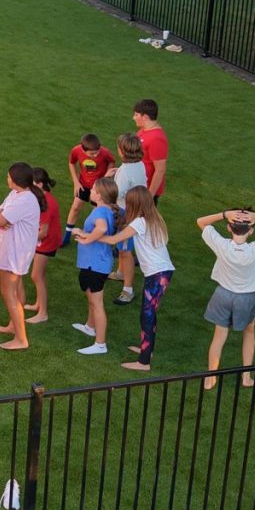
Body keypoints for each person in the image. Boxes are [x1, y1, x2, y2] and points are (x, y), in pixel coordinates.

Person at [80, 186, 175, 371]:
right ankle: (148, 349)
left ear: (135, 203)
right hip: (162, 272)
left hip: (157, 275)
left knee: (147, 315)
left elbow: (113, 240)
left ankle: (144, 362)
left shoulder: (140, 222)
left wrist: (87, 236)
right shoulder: (155, 219)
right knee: (149, 314)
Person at [196, 208, 255, 389]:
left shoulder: (221, 244)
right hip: (246, 298)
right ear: (251, 230)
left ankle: (211, 378)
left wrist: (224, 214)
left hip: (222, 295)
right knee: (249, 333)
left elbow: (201, 221)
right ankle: (246, 378)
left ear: (229, 228)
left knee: (218, 337)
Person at [0, 162, 44, 350]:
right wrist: (1, 218)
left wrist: (1, 218)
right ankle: (14, 326)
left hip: (14, 253)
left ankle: (21, 338)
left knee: (8, 292)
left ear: (15, 180)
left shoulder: (23, 200)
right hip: (13, 250)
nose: (7, 179)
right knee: (16, 287)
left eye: (8, 176)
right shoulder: (17, 194)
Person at [69, 178, 118, 355]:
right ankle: (90, 326)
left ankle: (100, 344)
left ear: (99, 195)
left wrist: (84, 237)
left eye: (93, 189)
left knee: (97, 303)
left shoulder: (100, 214)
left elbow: (102, 228)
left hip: (95, 264)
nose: (90, 190)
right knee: (91, 298)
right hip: (98, 262)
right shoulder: (107, 210)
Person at [108, 133, 149, 305]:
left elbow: (116, 193)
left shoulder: (125, 171)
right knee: (123, 248)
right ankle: (120, 272)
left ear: (122, 151)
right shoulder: (138, 164)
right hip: (137, 210)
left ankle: (128, 289)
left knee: (125, 251)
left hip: (126, 213)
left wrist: (109, 178)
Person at [61, 133, 116, 246]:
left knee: (96, 212)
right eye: (92, 154)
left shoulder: (104, 152)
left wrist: (106, 176)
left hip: (98, 189)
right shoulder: (76, 150)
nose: (95, 155)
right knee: (75, 207)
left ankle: (91, 236)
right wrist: (76, 182)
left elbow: (112, 161)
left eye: (97, 153)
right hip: (83, 185)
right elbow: (71, 163)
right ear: (83, 149)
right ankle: (66, 236)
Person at [24, 167, 60, 324]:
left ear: (39, 184)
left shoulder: (46, 203)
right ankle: (38, 304)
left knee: (36, 276)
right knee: (40, 275)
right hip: (46, 241)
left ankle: (43, 312)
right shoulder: (44, 198)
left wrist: (26, 239)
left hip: (46, 243)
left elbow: (43, 232)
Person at [132, 99, 168, 201]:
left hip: (145, 190)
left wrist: (149, 195)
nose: (133, 118)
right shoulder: (144, 129)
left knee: (142, 217)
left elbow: (160, 170)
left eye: (136, 115)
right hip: (137, 185)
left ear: (145, 117)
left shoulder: (157, 138)